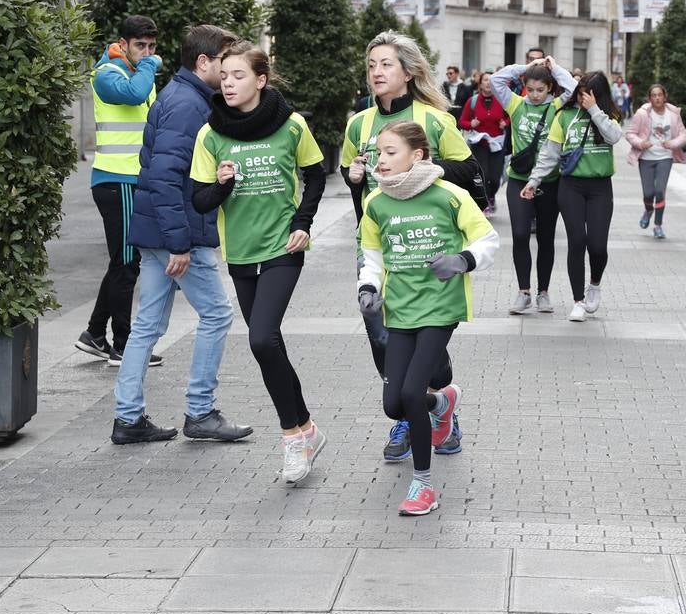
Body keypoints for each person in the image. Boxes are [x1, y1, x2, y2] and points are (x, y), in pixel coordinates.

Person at [342, 31, 484, 463]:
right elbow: (365, 200)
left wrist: (426, 169)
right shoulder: (358, 124)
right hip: (382, 253)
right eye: (371, 65)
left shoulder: (435, 120)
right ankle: (409, 412)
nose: (376, 73)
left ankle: (441, 409)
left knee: (429, 345)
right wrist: (353, 179)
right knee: (383, 339)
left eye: (385, 64)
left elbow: (475, 177)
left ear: (408, 71)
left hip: (430, 251)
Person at [191, 44, 328, 484]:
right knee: (268, 345)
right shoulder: (211, 132)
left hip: (282, 248)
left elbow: (317, 173)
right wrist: (222, 185)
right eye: (224, 76)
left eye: (237, 75)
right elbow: (199, 201)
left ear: (260, 80)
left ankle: (292, 439)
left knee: (261, 338)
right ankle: (307, 428)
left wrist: (303, 222)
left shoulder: (291, 125)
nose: (227, 83)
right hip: (242, 252)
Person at [111, 25, 253, 446]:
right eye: (223, 64)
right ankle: (201, 411)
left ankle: (128, 417)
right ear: (203, 62)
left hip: (160, 229)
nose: (228, 73)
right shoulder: (188, 105)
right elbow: (166, 175)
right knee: (216, 314)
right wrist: (180, 243)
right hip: (178, 232)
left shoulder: (182, 97)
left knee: (147, 326)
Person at [357, 120, 498, 515]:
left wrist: (462, 260)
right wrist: (367, 289)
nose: (380, 161)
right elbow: (372, 256)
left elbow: (487, 239)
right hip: (399, 309)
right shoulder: (376, 203)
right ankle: (441, 403)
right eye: (378, 153)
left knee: (408, 393)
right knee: (394, 404)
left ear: (417, 156)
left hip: (440, 308)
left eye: (390, 152)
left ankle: (423, 486)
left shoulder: (448, 195)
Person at [76, 16, 162, 367]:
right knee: (127, 263)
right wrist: (150, 66)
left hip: (131, 178)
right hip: (117, 179)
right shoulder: (108, 73)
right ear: (122, 44)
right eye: (140, 45)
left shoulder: (137, 71)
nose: (147, 53)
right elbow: (134, 94)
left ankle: (94, 334)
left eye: (152, 46)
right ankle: (123, 345)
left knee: (123, 261)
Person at [522, 72, 622, 322]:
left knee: (597, 245)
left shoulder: (609, 115)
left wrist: (595, 110)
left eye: (589, 93)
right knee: (577, 241)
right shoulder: (564, 117)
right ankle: (578, 301)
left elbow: (613, 137)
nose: (583, 97)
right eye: (580, 92)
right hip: (571, 187)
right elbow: (550, 153)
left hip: (600, 187)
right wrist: (534, 181)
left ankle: (594, 285)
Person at [489, 57, 577, 314]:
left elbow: (572, 88)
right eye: (531, 89)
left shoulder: (557, 107)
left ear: (550, 87)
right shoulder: (515, 104)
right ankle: (523, 291)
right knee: (519, 234)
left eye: (541, 89)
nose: (536, 95)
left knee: (546, 238)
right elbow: (496, 80)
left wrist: (554, 67)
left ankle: (544, 292)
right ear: (524, 86)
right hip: (518, 179)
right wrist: (525, 68)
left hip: (550, 182)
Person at [624, 83, 686, 240]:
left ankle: (658, 225)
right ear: (649, 98)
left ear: (664, 97)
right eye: (653, 95)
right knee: (648, 193)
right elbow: (630, 133)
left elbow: (684, 135)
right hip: (646, 158)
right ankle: (648, 210)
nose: (657, 98)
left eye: (659, 95)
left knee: (660, 191)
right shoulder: (642, 114)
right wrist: (641, 143)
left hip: (665, 157)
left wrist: (672, 144)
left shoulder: (673, 114)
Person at [458, 71, 508, 215]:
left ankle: (492, 195)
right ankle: (485, 202)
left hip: (497, 144)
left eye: (491, 80)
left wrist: (505, 122)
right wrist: (471, 123)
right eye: (486, 80)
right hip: (479, 144)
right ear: (480, 84)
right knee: (483, 175)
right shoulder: (472, 101)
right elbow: (462, 122)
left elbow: (510, 117)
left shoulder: (502, 100)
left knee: (495, 177)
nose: (488, 83)